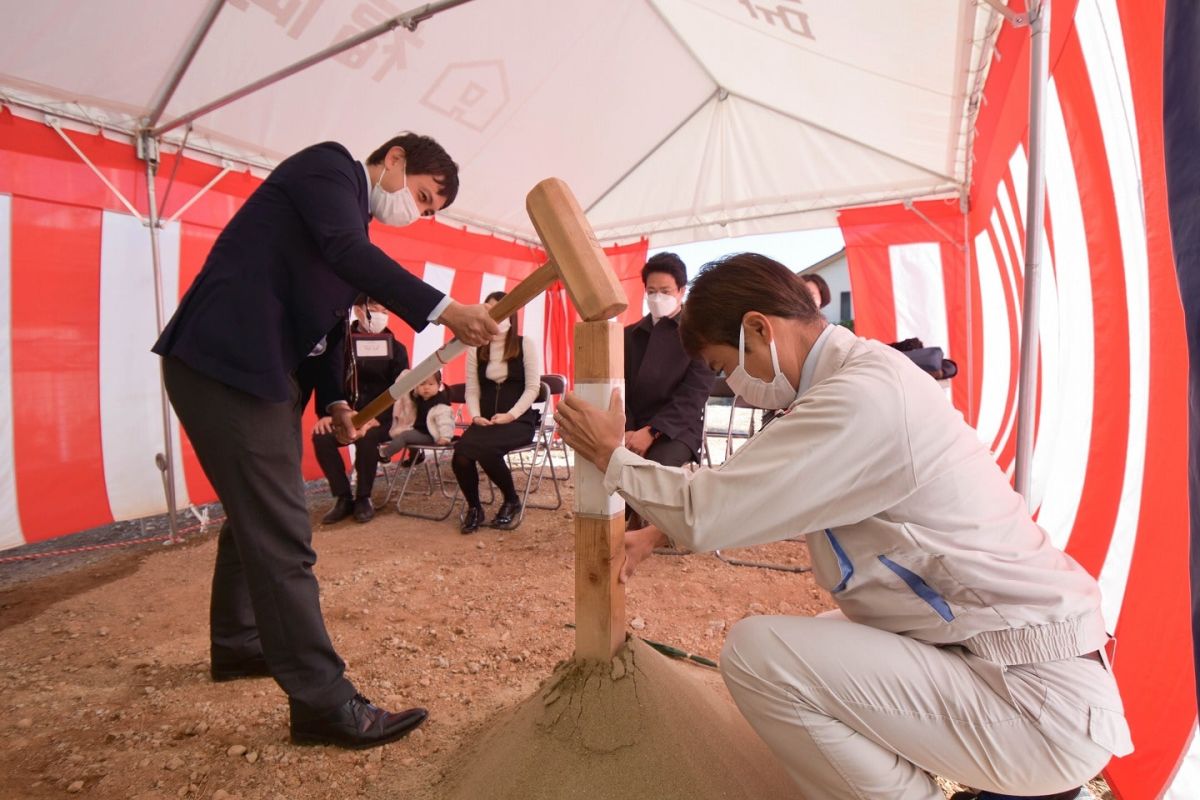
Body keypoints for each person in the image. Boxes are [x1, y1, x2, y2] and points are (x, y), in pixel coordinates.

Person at [553, 252, 1132, 800]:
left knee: (760, 656)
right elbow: (761, 486)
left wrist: (613, 457)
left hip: (1035, 700)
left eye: (727, 367)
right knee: (825, 638)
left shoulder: (861, 397)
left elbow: (714, 511)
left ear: (759, 328)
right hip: (1014, 667)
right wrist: (657, 531)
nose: (737, 385)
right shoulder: (851, 381)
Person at [152, 133, 498, 750]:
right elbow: (344, 253)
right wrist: (446, 309)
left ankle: (240, 643)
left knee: (253, 516)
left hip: (258, 375)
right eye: (420, 198)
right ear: (394, 160)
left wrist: (336, 402)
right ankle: (322, 703)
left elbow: (322, 327)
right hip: (224, 366)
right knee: (284, 532)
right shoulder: (329, 169)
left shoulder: (348, 228)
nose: (416, 216)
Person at [312, 295, 408, 525]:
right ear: (357, 309)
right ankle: (343, 497)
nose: (382, 313)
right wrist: (326, 413)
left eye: (386, 309)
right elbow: (328, 380)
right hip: (346, 414)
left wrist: (376, 418)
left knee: (369, 437)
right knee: (322, 437)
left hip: (383, 419)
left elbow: (402, 391)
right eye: (376, 306)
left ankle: (364, 497)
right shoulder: (340, 347)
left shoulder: (397, 349)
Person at [453, 290, 542, 534]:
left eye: (503, 310)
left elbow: (533, 387)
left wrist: (511, 415)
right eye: (491, 311)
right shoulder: (476, 347)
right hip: (485, 420)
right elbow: (472, 389)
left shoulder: (525, 344)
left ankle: (511, 499)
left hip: (518, 420)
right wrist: (474, 416)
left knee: (486, 451)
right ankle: (474, 508)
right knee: (460, 455)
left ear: (512, 314)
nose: (497, 316)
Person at [624, 252, 715, 469]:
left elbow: (693, 396)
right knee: (607, 460)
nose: (657, 298)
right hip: (631, 425)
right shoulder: (629, 334)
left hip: (677, 429)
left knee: (655, 468)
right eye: (651, 291)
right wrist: (627, 427)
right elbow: (620, 386)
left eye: (665, 292)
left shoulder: (699, 336)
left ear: (681, 291)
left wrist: (653, 431)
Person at [378, 370, 455, 463]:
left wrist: (445, 437)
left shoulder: (440, 404)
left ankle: (384, 454)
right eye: (422, 384)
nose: (426, 388)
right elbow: (409, 392)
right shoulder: (420, 397)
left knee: (405, 436)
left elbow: (446, 422)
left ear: (439, 385)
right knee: (406, 432)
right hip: (420, 430)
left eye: (431, 384)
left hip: (431, 435)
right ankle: (415, 457)